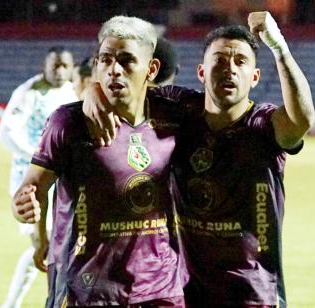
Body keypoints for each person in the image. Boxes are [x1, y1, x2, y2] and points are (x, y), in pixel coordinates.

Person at [79, 11, 315, 307]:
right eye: (219, 60)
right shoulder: (179, 109)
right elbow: (126, 91)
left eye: (240, 62)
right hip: (186, 290)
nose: (229, 69)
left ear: (254, 78)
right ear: (202, 72)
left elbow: (301, 120)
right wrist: (94, 89)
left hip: (253, 293)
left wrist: (279, 48)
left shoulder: (262, 124)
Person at [11, 16, 188, 307]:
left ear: (151, 69)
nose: (114, 70)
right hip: (89, 290)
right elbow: (32, 190)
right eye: (105, 60)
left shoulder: (177, 115)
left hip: (161, 289)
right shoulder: (68, 123)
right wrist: (22, 206)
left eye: (127, 60)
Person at [0, 46, 77, 308]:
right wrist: (37, 156)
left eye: (65, 65)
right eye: (55, 65)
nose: (60, 70)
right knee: (43, 244)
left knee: (53, 244)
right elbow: (5, 133)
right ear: (45, 65)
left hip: (60, 182)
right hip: (29, 180)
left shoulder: (69, 91)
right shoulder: (30, 92)